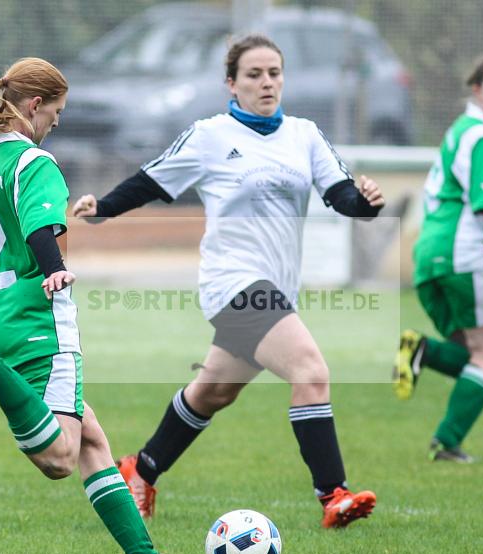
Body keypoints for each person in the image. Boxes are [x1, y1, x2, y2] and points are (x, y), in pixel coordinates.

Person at [72, 34, 382, 528]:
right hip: (231, 283)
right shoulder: (210, 134)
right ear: (231, 84)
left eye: (274, 73)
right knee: (310, 372)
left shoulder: (304, 134)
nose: (266, 82)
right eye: (254, 74)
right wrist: (104, 207)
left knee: (215, 389)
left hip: (276, 290)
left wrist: (365, 202)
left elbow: (341, 195)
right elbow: (153, 179)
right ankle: (333, 494)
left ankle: (140, 468)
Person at [0, 57, 171, 554]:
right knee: (60, 458)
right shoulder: (33, 163)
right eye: (54, 114)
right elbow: (41, 228)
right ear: (34, 106)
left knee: (93, 441)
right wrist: (54, 269)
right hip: (39, 324)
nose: (54, 125)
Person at [393, 52, 483, 463]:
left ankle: (420, 351)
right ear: (477, 89)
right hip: (466, 256)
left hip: (428, 256)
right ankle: (447, 441)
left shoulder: (459, 130)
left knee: (475, 356)